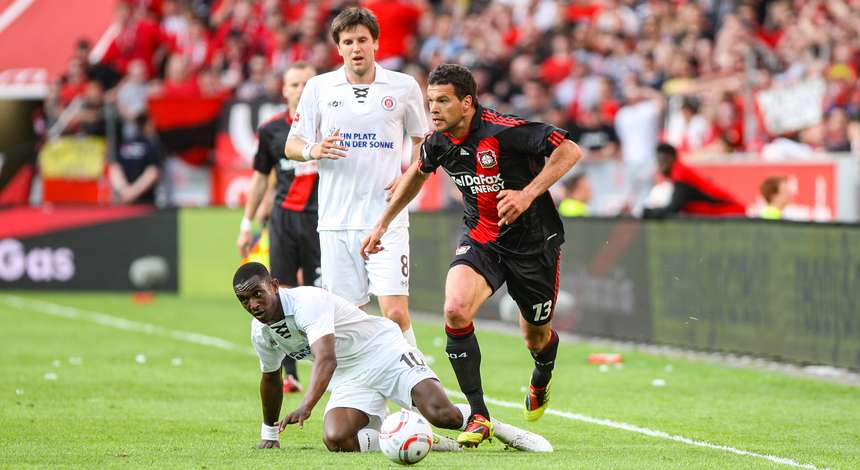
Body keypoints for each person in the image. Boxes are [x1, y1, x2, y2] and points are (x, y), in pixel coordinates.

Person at [360, 64, 583, 447]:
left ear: (467, 103)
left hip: (533, 245)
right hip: (482, 240)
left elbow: (570, 150)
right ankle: (479, 415)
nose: (433, 108)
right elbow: (418, 171)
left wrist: (527, 194)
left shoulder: (506, 131)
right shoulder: (438, 141)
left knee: (536, 337)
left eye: (442, 100)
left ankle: (542, 373)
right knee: (455, 309)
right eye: (430, 101)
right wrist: (382, 223)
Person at [284, 7, 427, 347]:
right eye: (348, 41)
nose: (356, 48)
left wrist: (409, 174)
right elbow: (292, 144)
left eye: (362, 40)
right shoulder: (319, 87)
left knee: (394, 313)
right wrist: (313, 150)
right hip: (336, 221)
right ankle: (363, 397)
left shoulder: (404, 86)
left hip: (386, 218)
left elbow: (423, 140)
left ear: (376, 43)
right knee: (349, 317)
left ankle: (417, 392)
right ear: (339, 48)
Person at [232, 262, 468, 452]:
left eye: (258, 294)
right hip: (350, 376)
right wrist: (269, 435)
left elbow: (326, 359)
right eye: (244, 300)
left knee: (443, 415)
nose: (253, 305)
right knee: (336, 439)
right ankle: (415, 436)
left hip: (384, 352)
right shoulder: (260, 332)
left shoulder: (307, 302)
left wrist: (306, 405)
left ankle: (494, 425)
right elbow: (271, 377)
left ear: (274, 286)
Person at [237, 62, 319, 394]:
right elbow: (259, 179)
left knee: (321, 294)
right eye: (295, 84)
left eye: (307, 84)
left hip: (321, 221)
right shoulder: (271, 130)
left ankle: (328, 365)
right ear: (284, 90)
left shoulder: (330, 125)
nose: (301, 90)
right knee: (278, 294)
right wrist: (246, 223)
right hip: (283, 221)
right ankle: (290, 372)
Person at [642, 143, 746, 218]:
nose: (660, 165)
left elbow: (674, 207)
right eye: (658, 161)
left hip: (730, 214)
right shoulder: (678, 173)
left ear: (672, 158)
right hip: (721, 217)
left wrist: (651, 213)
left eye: (663, 160)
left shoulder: (680, 174)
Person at [108, 113, 161, 205]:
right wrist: (131, 193)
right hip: (144, 205)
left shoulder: (124, 144)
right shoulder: (152, 146)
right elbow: (153, 172)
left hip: (125, 201)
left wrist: (125, 192)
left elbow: (115, 168)